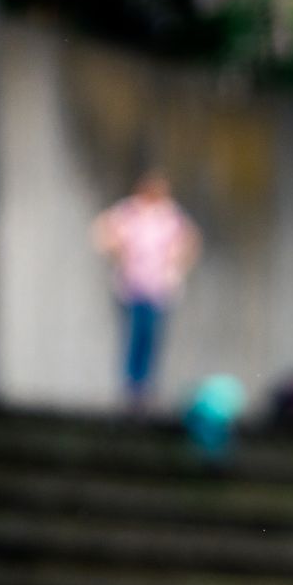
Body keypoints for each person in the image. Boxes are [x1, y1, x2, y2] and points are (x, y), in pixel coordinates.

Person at [93, 170, 200, 414]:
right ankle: (133, 386)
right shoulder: (128, 212)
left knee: (152, 337)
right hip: (132, 285)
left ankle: (145, 386)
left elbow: (191, 240)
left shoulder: (169, 216)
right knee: (135, 335)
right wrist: (119, 252)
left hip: (160, 287)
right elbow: (103, 234)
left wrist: (177, 263)